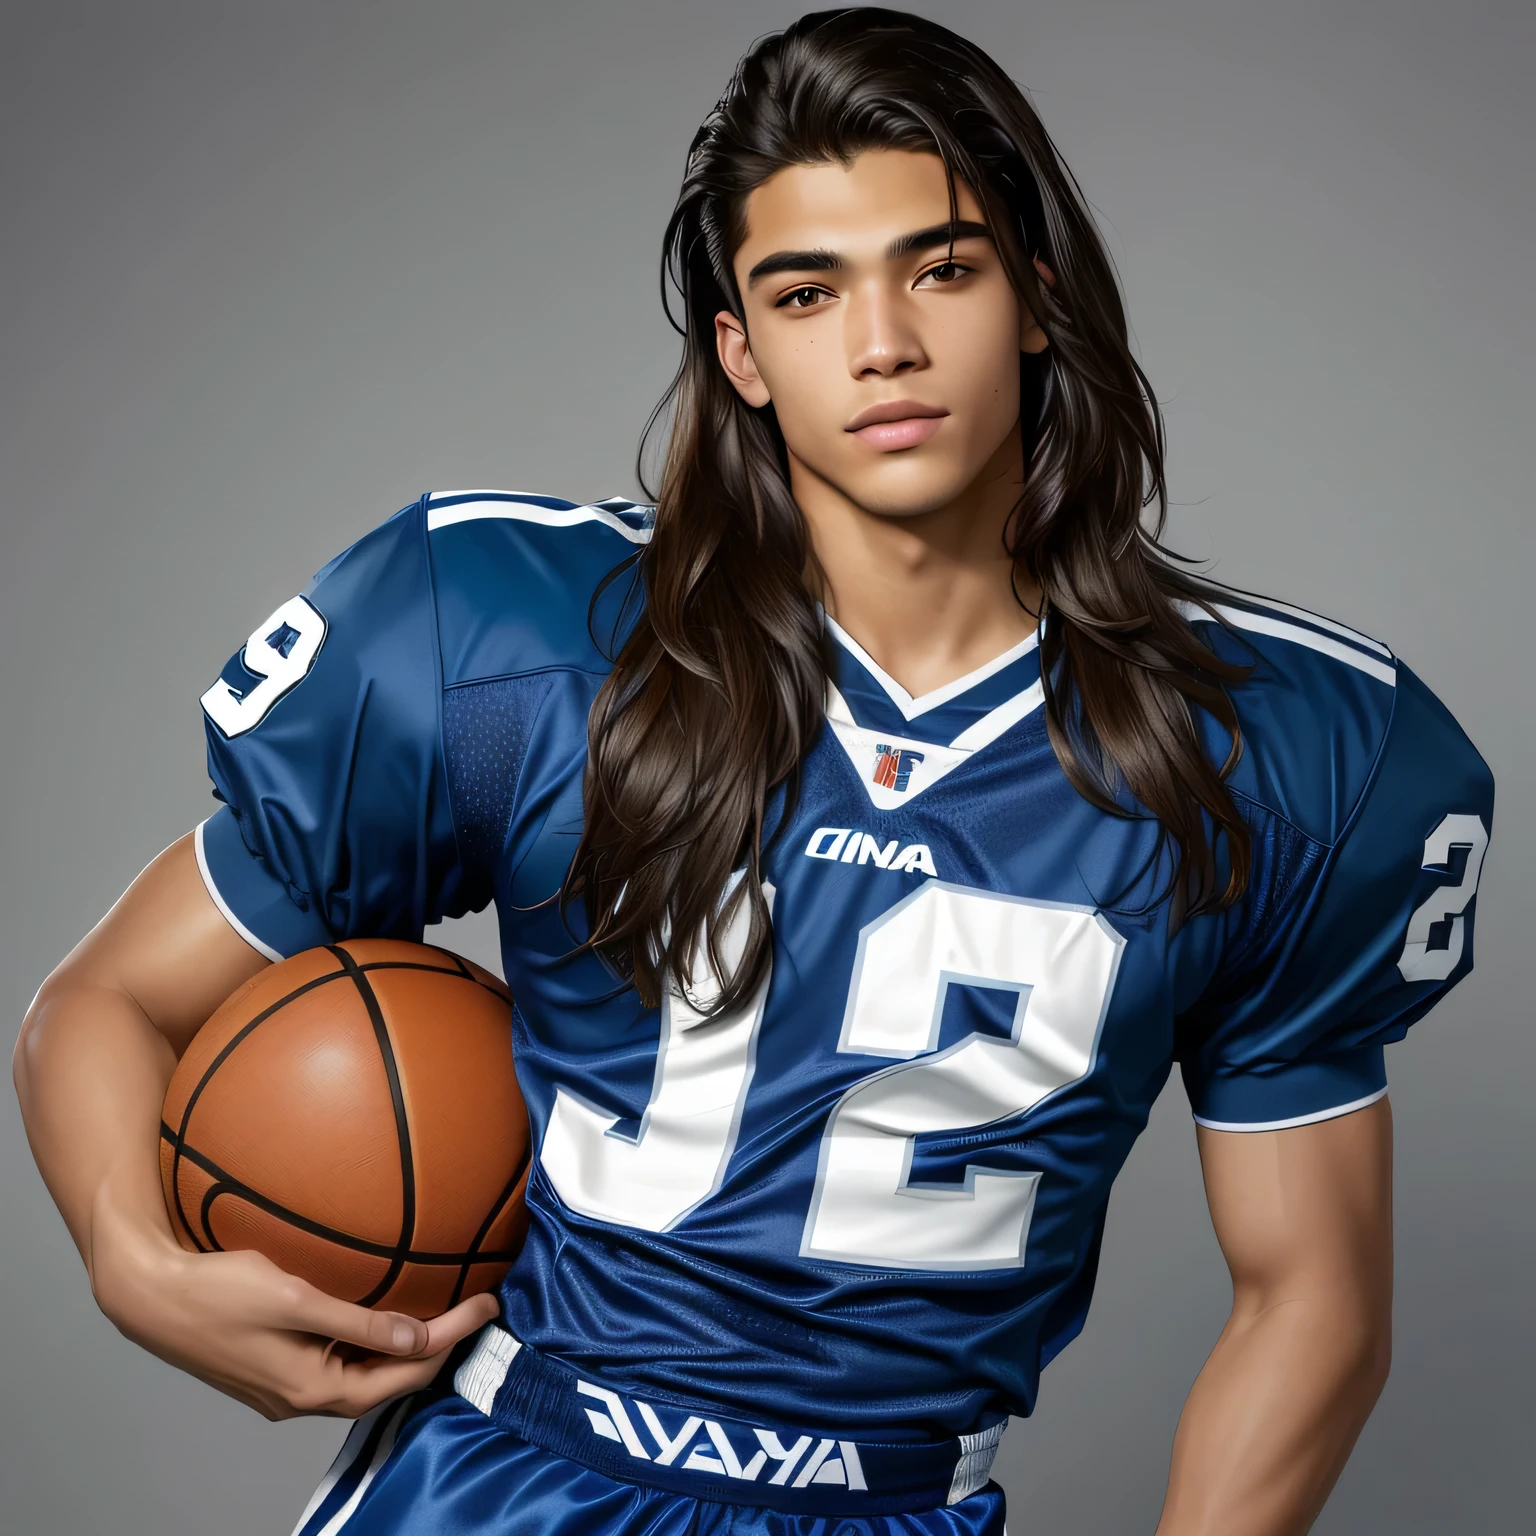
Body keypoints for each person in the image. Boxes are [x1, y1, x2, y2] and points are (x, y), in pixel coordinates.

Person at [13, 9, 1494, 1535]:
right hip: (504, 1481)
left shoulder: (1286, 756)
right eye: (807, 291)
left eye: (943, 268)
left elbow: (1312, 1303)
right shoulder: (521, 647)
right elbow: (104, 1004)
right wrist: (134, 1259)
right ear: (743, 352)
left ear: (1038, 302)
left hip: (899, 1501)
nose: (882, 345)